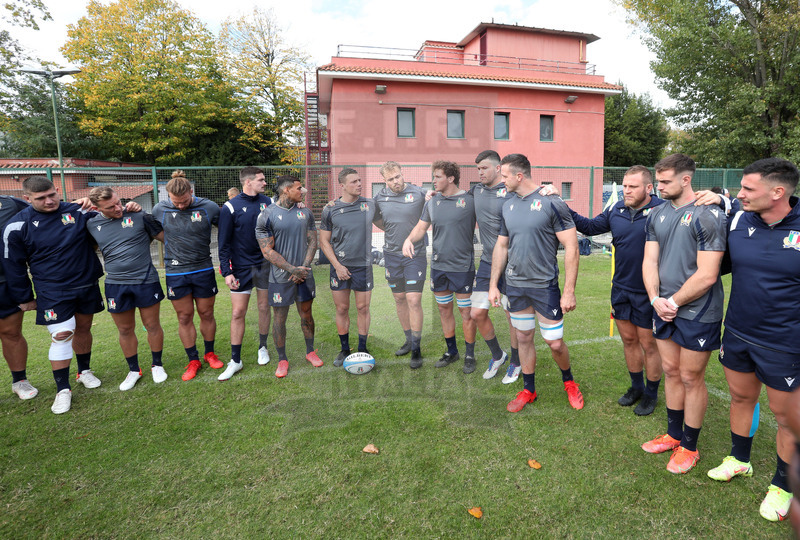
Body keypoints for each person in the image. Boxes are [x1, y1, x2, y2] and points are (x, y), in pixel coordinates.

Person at [702, 158, 799, 521]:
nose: (739, 194)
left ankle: (782, 486)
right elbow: (716, 263)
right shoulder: (739, 220)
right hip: (739, 332)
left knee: (787, 417)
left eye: (748, 189)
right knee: (742, 398)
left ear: (778, 192)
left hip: (786, 343)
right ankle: (739, 459)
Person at [641, 153, 727, 474]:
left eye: (664, 182)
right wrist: (654, 299)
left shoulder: (708, 215)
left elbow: (707, 274)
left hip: (698, 311)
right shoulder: (656, 213)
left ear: (686, 179)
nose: (658, 186)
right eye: (658, 180)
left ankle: (690, 447)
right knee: (671, 370)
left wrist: (673, 301)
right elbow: (650, 261)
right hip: (662, 308)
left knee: (691, 377)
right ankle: (673, 434)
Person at [488, 153, 584, 412]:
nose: (501, 180)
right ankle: (529, 389)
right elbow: (502, 245)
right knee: (523, 336)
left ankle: (570, 383)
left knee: (554, 342)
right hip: (516, 285)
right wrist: (493, 284)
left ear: (519, 176)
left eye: (505, 175)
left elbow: (571, 247)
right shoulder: (506, 204)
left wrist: (569, 292)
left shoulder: (552, 202)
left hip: (544, 286)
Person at [3, 177, 107, 414]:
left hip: (85, 283)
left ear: (57, 190)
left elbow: (109, 217)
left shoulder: (77, 211)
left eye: (52, 194)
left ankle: (84, 372)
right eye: (41, 198)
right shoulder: (17, 225)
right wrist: (24, 297)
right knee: (62, 334)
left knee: (83, 328)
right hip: (52, 290)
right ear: (27, 199)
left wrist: (122, 206)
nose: (49, 201)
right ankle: (63, 390)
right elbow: (14, 265)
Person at [568, 166, 664, 416]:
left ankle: (651, 393)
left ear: (649, 188)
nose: (627, 190)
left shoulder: (663, 210)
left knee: (648, 344)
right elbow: (589, 227)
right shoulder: (616, 209)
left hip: (649, 292)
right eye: (625, 186)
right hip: (620, 289)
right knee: (629, 340)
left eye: (633, 186)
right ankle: (636, 387)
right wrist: (560, 205)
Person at [87, 187, 167, 390]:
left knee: (152, 325)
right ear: (97, 208)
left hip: (145, 280)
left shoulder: (139, 215)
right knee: (124, 329)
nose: (117, 208)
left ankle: (157, 365)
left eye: (118, 202)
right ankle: (133, 370)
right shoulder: (91, 223)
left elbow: (167, 237)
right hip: (115, 284)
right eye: (110, 207)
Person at [403, 161, 477, 373]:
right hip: (439, 266)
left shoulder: (470, 200)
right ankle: (451, 352)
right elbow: (420, 227)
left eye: (437, 176)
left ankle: (469, 355)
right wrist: (409, 239)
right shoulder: (432, 203)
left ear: (451, 178)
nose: (433, 180)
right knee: (444, 310)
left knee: (466, 313)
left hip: (463, 267)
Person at [152, 170, 222, 381]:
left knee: (206, 313)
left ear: (191, 192)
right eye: (176, 202)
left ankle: (209, 353)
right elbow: (151, 229)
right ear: (167, 197)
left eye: (184, 201)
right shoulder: (159, 209)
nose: (180, 206)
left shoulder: (209, 207)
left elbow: (229, 228)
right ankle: (193, 359)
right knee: (184, 317)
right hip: (176, 272)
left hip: (203, 269)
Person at [255, 175, 322, 378]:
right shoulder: (266, 215)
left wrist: (304, 267)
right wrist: (292, 269)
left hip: (304, 274)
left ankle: (310, 351)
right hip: (280, 277)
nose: (302, 191)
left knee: (306, 314)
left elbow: (313, 241)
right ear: (286, 190)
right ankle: (282, 359)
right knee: (279, 319)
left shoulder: (306, 212)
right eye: (299, 188)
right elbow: (267, 251)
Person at [216, 166, 273, 381]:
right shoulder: (230, 207)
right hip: (240, 268)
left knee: (263, 307)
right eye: (260, 180)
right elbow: (223, 243)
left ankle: (263, 347)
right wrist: (226, 271)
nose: (264, 183)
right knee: (238, 313)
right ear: (247, 182)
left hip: (265, 265)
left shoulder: (268, 202)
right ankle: (235, 360)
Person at [471, 150, 520, 384]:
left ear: (498, 168)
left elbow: (532, 193)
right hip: (488, 262)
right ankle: (498, 355)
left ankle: (517, 362)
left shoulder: (511, 191)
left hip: (513, 265)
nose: (480, 173)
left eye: (484, 168)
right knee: (477, 313)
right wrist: (428, 193)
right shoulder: (476, 191)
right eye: (478, 169)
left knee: (512, 316)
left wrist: (550, 190)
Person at [373, 161, 428, 368]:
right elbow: (375, 218)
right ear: (384, 181)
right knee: (399, 298)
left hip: (415, 254)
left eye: (397, 176)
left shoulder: (420, 193)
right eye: (390, 179)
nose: (395, 181)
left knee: (413, 300)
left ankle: (416, 347)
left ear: (402, 174)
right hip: (391, 254)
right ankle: (408, 339)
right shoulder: (379, 198)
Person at [320, 168, 376, 366]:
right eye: (354, 182)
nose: (359, 184)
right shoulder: (330, 209)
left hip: (364, 266)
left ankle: (362, 348)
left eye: (360, 180)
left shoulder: (370, 204)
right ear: (342, 185)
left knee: (363, 307)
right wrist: (337, 266)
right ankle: (344, 350)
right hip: (340, 266)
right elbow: (324, 241)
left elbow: (387, 222)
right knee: (342, 308)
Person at [0, 195, 37, 400]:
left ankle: (20, 381)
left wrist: (78, 204)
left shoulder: (11, 204)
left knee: (11, 333)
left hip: (5, 281)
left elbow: (43, 209)